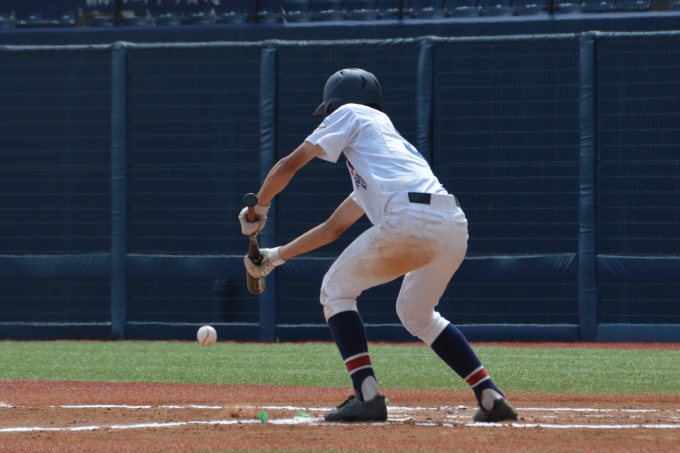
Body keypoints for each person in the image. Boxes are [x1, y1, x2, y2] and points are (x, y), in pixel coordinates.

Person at [239, 68, 518, 423]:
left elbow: (288, 164)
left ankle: (367, 395)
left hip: (412, 217)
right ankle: (490, 396)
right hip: (452, 225)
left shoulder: (350, 112)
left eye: (328, 111)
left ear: (336, 104)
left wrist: (259, 207)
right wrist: (275, 257)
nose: (327, 118)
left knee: (335, 290)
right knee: (416, 314)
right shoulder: (384, 158)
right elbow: (332, 228)